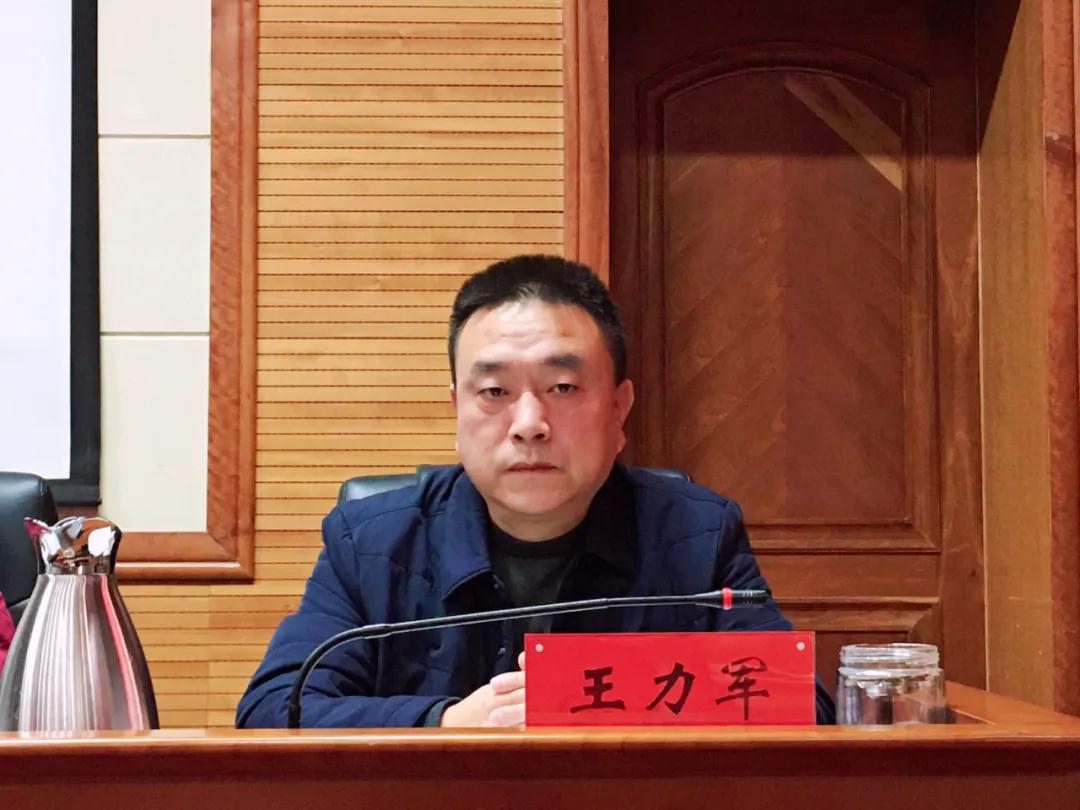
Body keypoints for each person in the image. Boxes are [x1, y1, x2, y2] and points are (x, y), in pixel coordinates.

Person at [236, 254, 835, 728]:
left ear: (619, 408)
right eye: (494, 392)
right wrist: (447, 721)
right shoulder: (371, 542)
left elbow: (801, 705)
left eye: (563, 388)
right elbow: (273, 709)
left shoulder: (696, 535)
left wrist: (587, 701)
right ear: (457, 409)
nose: (529, 424)